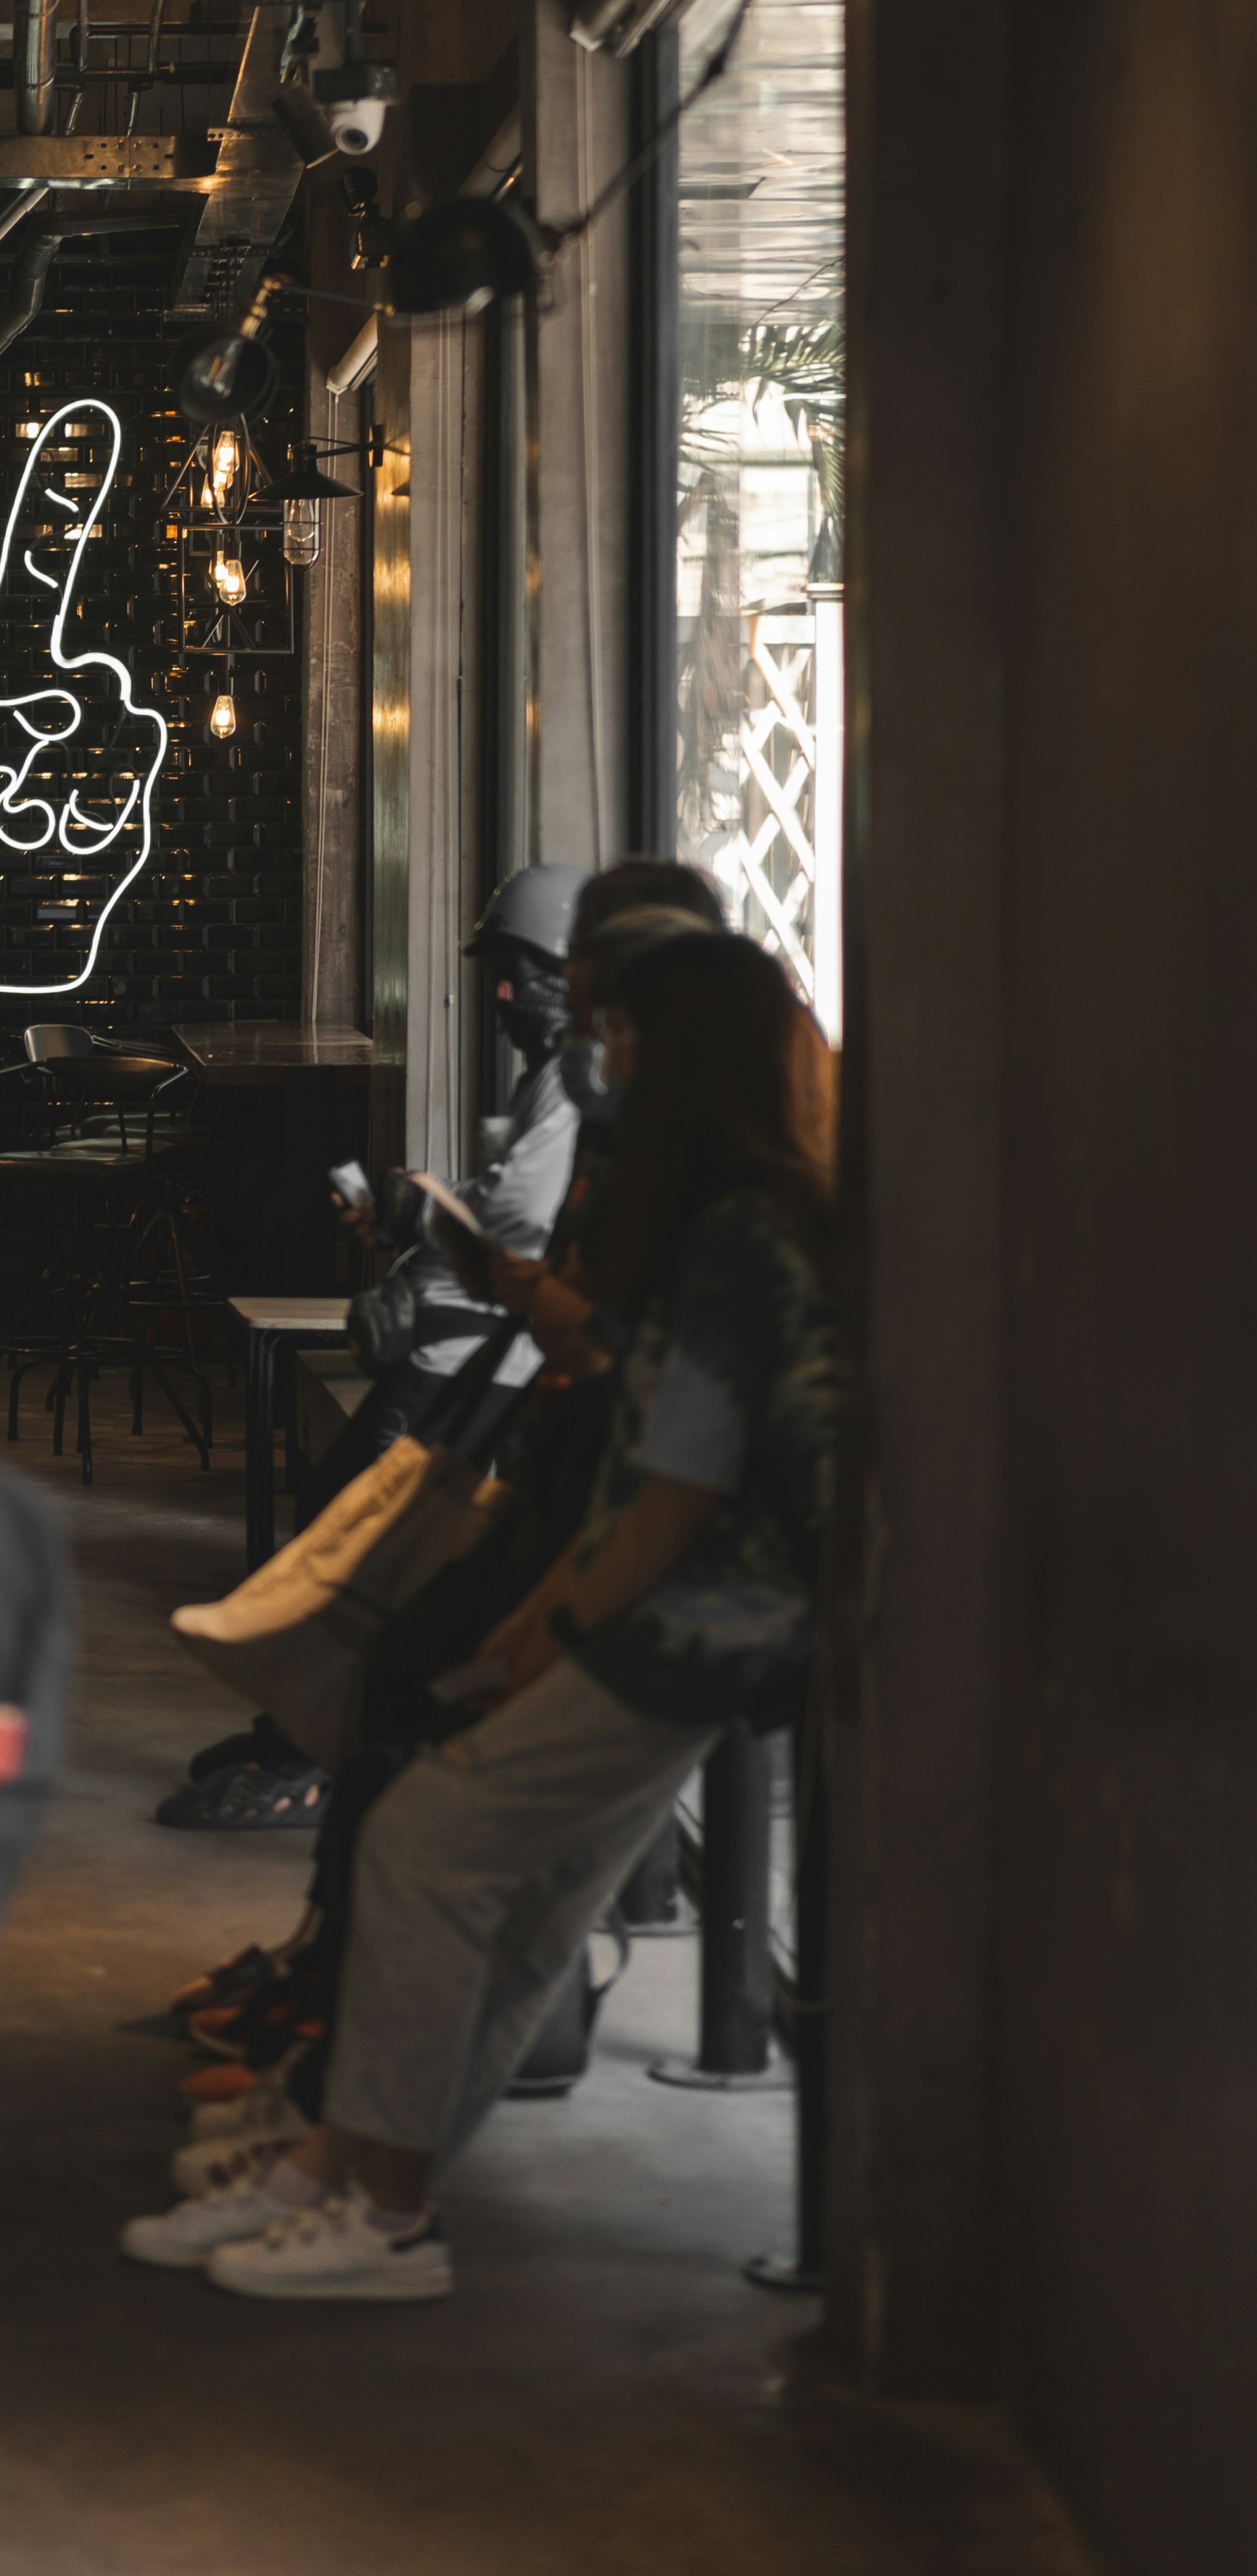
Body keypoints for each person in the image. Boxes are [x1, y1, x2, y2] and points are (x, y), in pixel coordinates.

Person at [127, 926, 840, 2299]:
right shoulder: (762, 1216)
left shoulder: (730, 1240)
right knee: (522, 1907)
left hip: (691, 1624)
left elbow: (672, 1495)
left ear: (681, 1063)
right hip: (729, 1625)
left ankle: (377, 2205)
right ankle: (340, 2174)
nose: (596, 1055)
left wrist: (544, 1635)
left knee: (427, 1842)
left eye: (620, 1034)